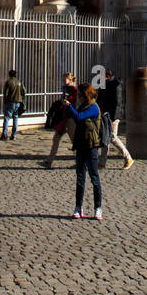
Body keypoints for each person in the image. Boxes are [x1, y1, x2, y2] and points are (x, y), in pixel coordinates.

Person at [67, 84, 104, 220]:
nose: (78, 98)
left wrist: (69, 107)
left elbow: (78, 117)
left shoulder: (93, 108)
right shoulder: (82, 106)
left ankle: (98, 208)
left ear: (86, 95)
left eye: (80, 96)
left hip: (91, 146)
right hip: (81, 145)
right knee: (80, 178)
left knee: (94, 177)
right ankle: (78, 207)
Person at [98, 69, 134, 169]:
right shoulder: (104, 85)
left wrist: (113, 119)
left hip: (113, 116)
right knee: (105, 137)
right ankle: (102, 162)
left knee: (113, 137)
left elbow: (117, 103)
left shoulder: (115, 85)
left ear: (107, 76)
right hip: (105, 115)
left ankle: (128, 158)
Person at [42, 73, 78, 168]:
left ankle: (80, 161)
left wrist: (67, 102)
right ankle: (49, 161)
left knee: (74, 141)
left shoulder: (73, 89)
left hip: (70, 118)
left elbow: (74, 101)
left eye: (65, 79)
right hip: (63, 118)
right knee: (56, 139)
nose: (63, 81)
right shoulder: (65, 88)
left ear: (69, 79)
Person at [0, 68, 25, 140]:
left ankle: (4, 134)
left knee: (7, 118)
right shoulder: (19, 82)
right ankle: (13, 135)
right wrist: (21, 99)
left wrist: (5, 101)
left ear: (9, 75)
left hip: (10, 101)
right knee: (15, 118)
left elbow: (5, 92)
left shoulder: (8, 82)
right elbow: (24, 91)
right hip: (18, 102)